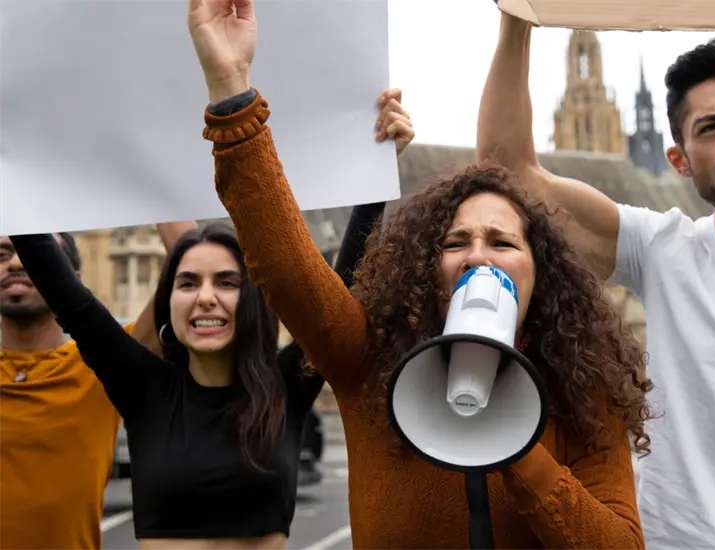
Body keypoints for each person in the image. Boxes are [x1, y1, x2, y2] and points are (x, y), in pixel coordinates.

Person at [187, 0, 652, 548]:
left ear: (541, 270)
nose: (479, 255)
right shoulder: (368, 362)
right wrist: (232, 89)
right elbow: (287, 265)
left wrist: (516, 446)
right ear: (428, 269)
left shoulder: (582, 389)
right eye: (456, 242)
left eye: (502, 241)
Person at [476, 10, 715, 550]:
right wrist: (517, 19)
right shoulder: (663, 249)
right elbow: (506, 173)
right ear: (678, 160)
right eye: (712, 126)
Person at [9, 90, 411, 550]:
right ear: (168, 302)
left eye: (225, 281)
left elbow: (340, 289)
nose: (205, 298)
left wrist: (379, 171)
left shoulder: (286, 385)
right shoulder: (143, 387)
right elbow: (67, 295)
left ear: (252, 300)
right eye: (187, 283)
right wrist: (13, 166)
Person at [0, 221, 194, 550]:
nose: (18, 262)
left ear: (70, 282)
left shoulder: (103, 367)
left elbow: (191, 261)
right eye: (2, 253)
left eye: (38, 254)